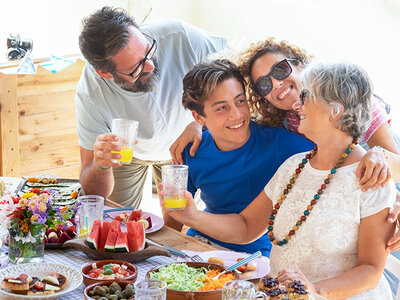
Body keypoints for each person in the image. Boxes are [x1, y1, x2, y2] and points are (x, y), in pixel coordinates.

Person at [162, 62, 397, 299]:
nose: (296, 105)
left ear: (334, 110)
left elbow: (371, 270)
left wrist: (314, 290)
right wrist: (190, 215)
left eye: (305, 96)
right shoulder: (293, 165)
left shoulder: (372, 178)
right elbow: (246, 227)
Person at [170, 37, 400, 251]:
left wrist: (382, 161)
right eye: (264, 85)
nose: (277, 84)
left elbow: (377, 163)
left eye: (280, 70)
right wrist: (198, 126)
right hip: (207, 244)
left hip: (382, 173)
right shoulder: (285, 123)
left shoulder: (349, 105)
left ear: (300, 64)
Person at [75, 6, 226, 207]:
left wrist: (203, 123)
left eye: (148, 51)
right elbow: (94, 193)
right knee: (115, 218)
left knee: (186, 218)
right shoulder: (90, 94)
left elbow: (234, 73)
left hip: (185, 142)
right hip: (128, 156)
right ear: (105, 74)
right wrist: (101, 165)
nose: (150, 66)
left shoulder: (180, 36)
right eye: (135, 68)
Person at [167, 59, 313, 256]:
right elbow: (173, 220)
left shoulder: (281, 145)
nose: (237, 115)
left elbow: (336, 153)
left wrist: (370, 154)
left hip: (257, 257)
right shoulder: (191, 149)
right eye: (221, 108)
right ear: (199, 117)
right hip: (199, 245)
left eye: (240, 101)